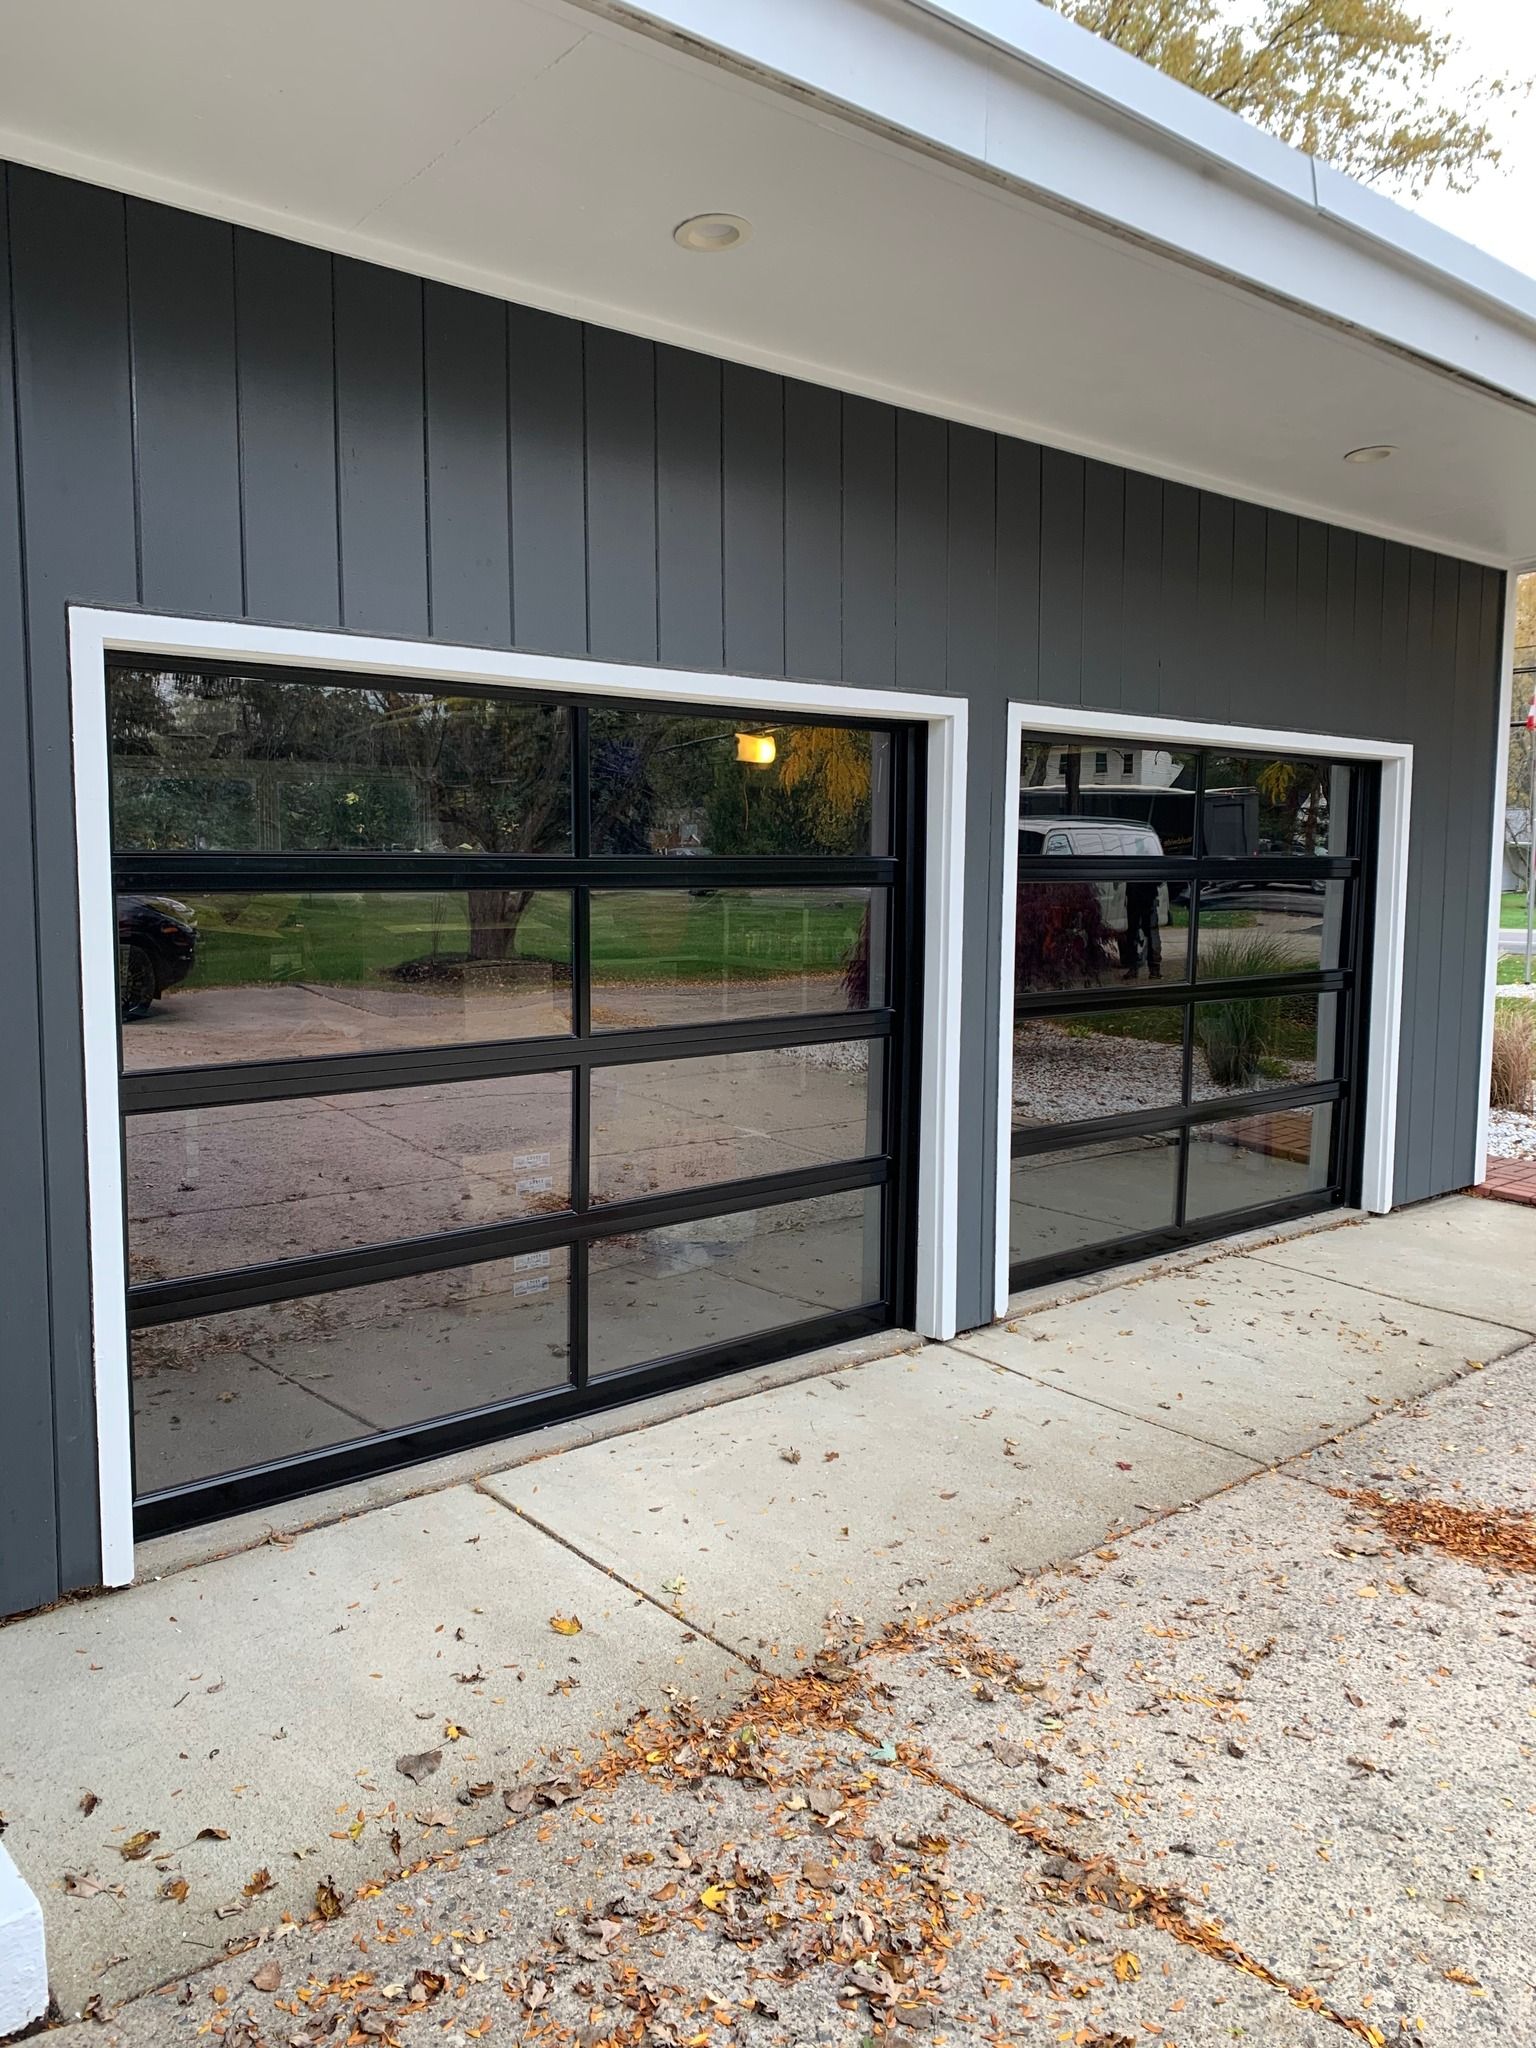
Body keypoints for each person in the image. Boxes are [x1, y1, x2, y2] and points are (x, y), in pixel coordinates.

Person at [1122, 880, 1162, 980]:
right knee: (1151, 932)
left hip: (1135, 892)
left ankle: (1134, 967)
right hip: (1147, 891)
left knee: (1133, 931)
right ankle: (1154, 969)